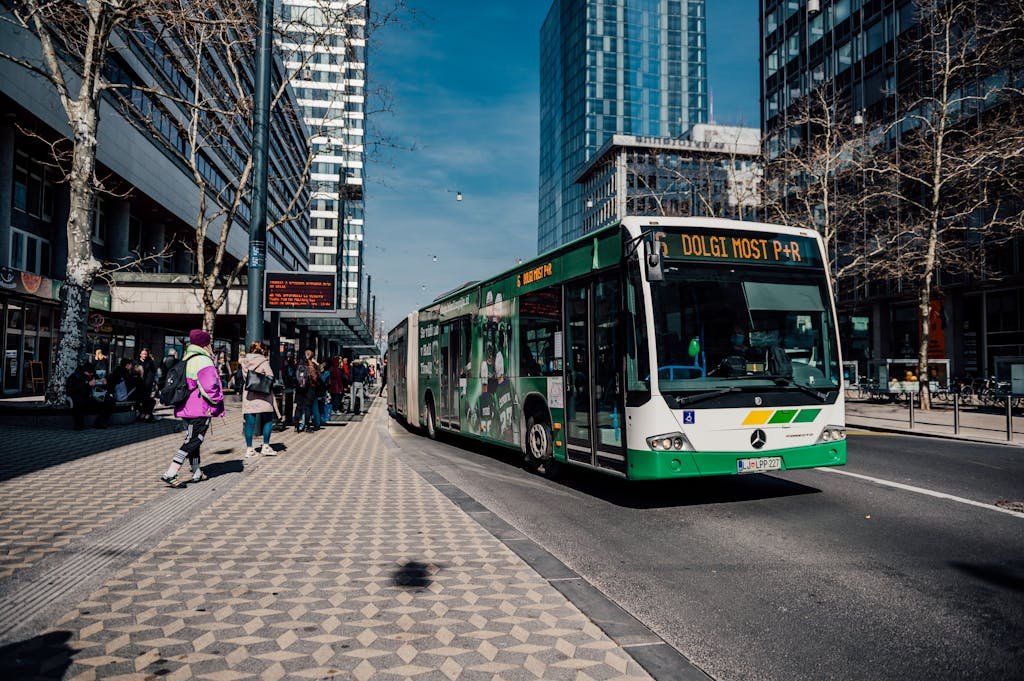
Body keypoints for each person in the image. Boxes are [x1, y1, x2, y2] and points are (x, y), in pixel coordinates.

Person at [160, 329, 224, 487]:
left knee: (193, 439)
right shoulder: (203, 360)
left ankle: (196, 472)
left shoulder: (188, 357)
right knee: (195, 439)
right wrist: (217, 401)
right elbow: (210, 386)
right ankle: (171, 472)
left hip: (186, 407)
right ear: (206, 344)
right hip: (201, 408)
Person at [241, 341, 278, 458]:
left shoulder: (244, 361)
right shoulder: (263, 361)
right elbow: (270, 376)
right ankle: (265, 446)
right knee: (268, 419)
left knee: (249, 422)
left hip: (249, 394)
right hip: (264, 395)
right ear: (262, 350)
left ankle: (249, 449)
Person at [66, 361, 114, 430]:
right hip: (79, 397)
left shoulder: (92, 375)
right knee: (79, 401)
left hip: (92, 396)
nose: (90, 375)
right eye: (89, 374)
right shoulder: (75, 377)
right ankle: (79, 425)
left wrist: (104, 383)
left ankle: (101, 422)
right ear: (84, 371)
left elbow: (104, 388)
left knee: (109, 401)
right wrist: (88, 384)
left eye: (92, 374)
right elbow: (74, 389)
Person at [137, 349, 158, 420]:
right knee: (141, 399)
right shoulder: (137, 362)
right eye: (143, 354)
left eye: (145, 354)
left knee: (146, 399)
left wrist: (150, 383)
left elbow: (153, 373)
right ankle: (143, 413)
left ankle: (146, 413)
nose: (144, 356)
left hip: (147, 384)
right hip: (138, 384)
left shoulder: (150, 362)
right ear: (140, 354)